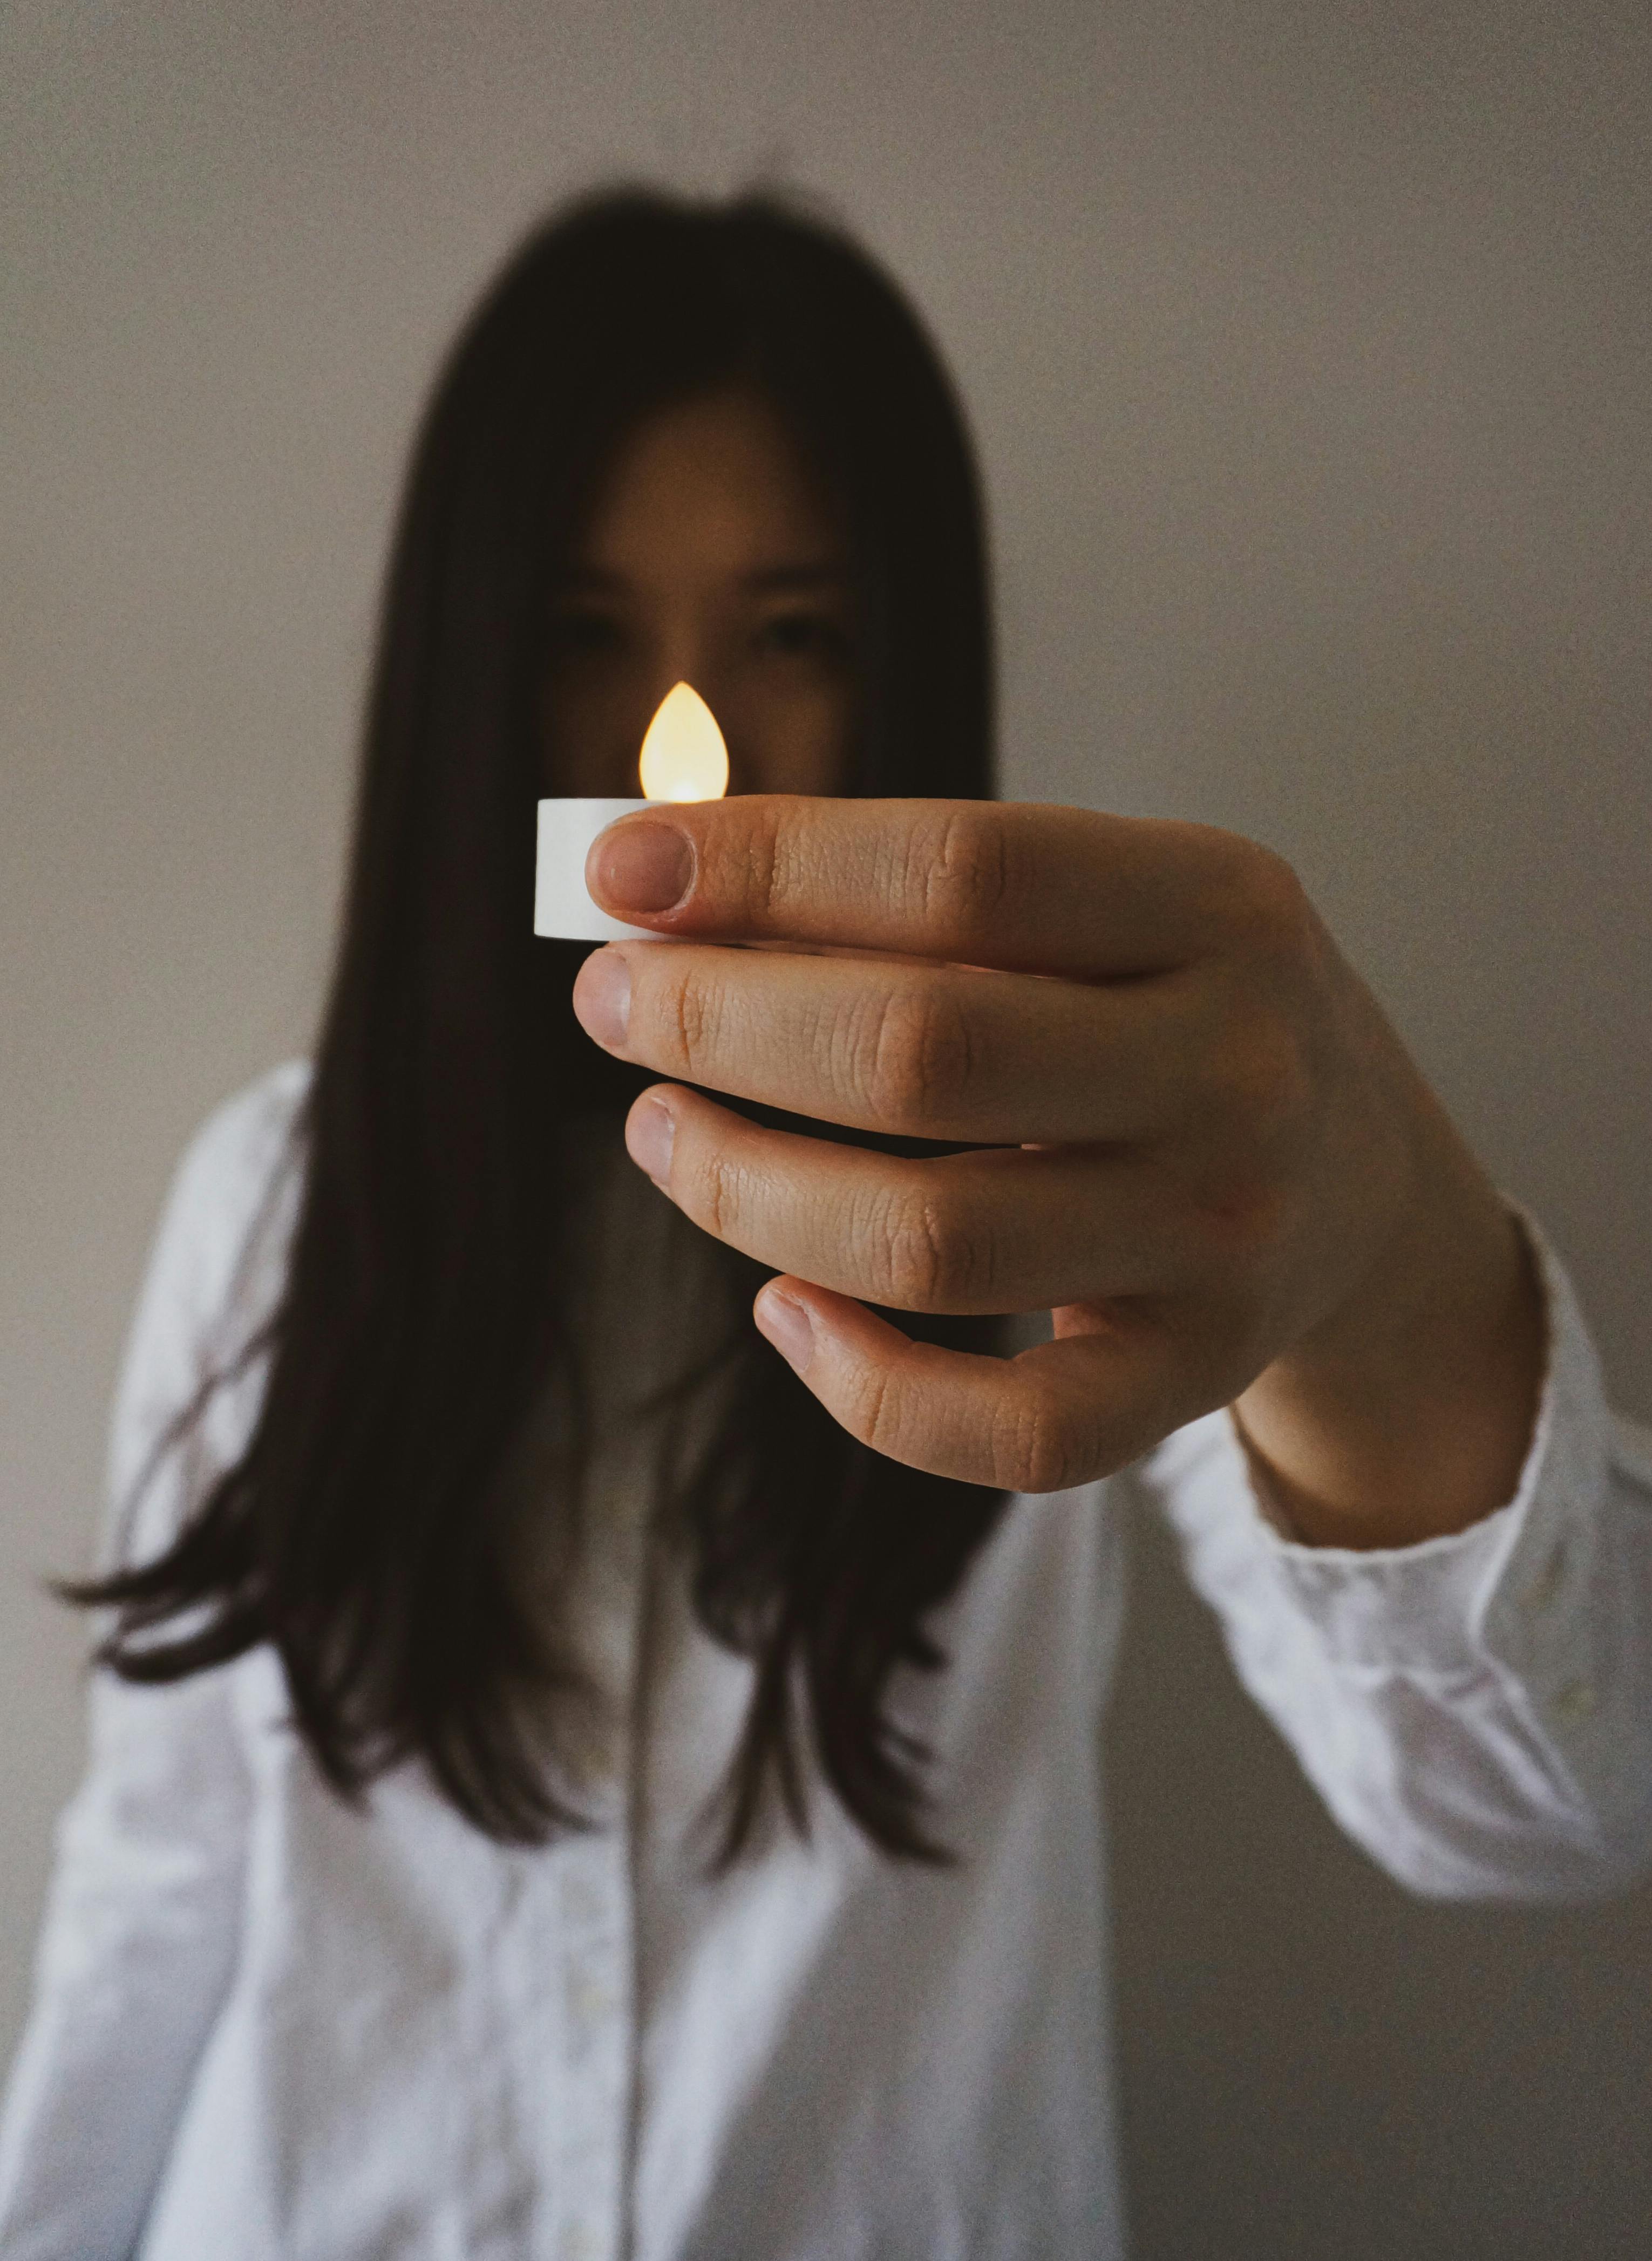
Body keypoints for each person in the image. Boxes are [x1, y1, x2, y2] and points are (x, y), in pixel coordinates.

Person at [2, 186, 1649, 2260]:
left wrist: (1382, 1262)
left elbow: (1545, 1807)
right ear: (465, 679)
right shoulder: (270, 1206)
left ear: (908, 678)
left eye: (795, 635)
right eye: (581, 635)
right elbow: (155, 1898)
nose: (670, 750)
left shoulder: (1075, 1200)